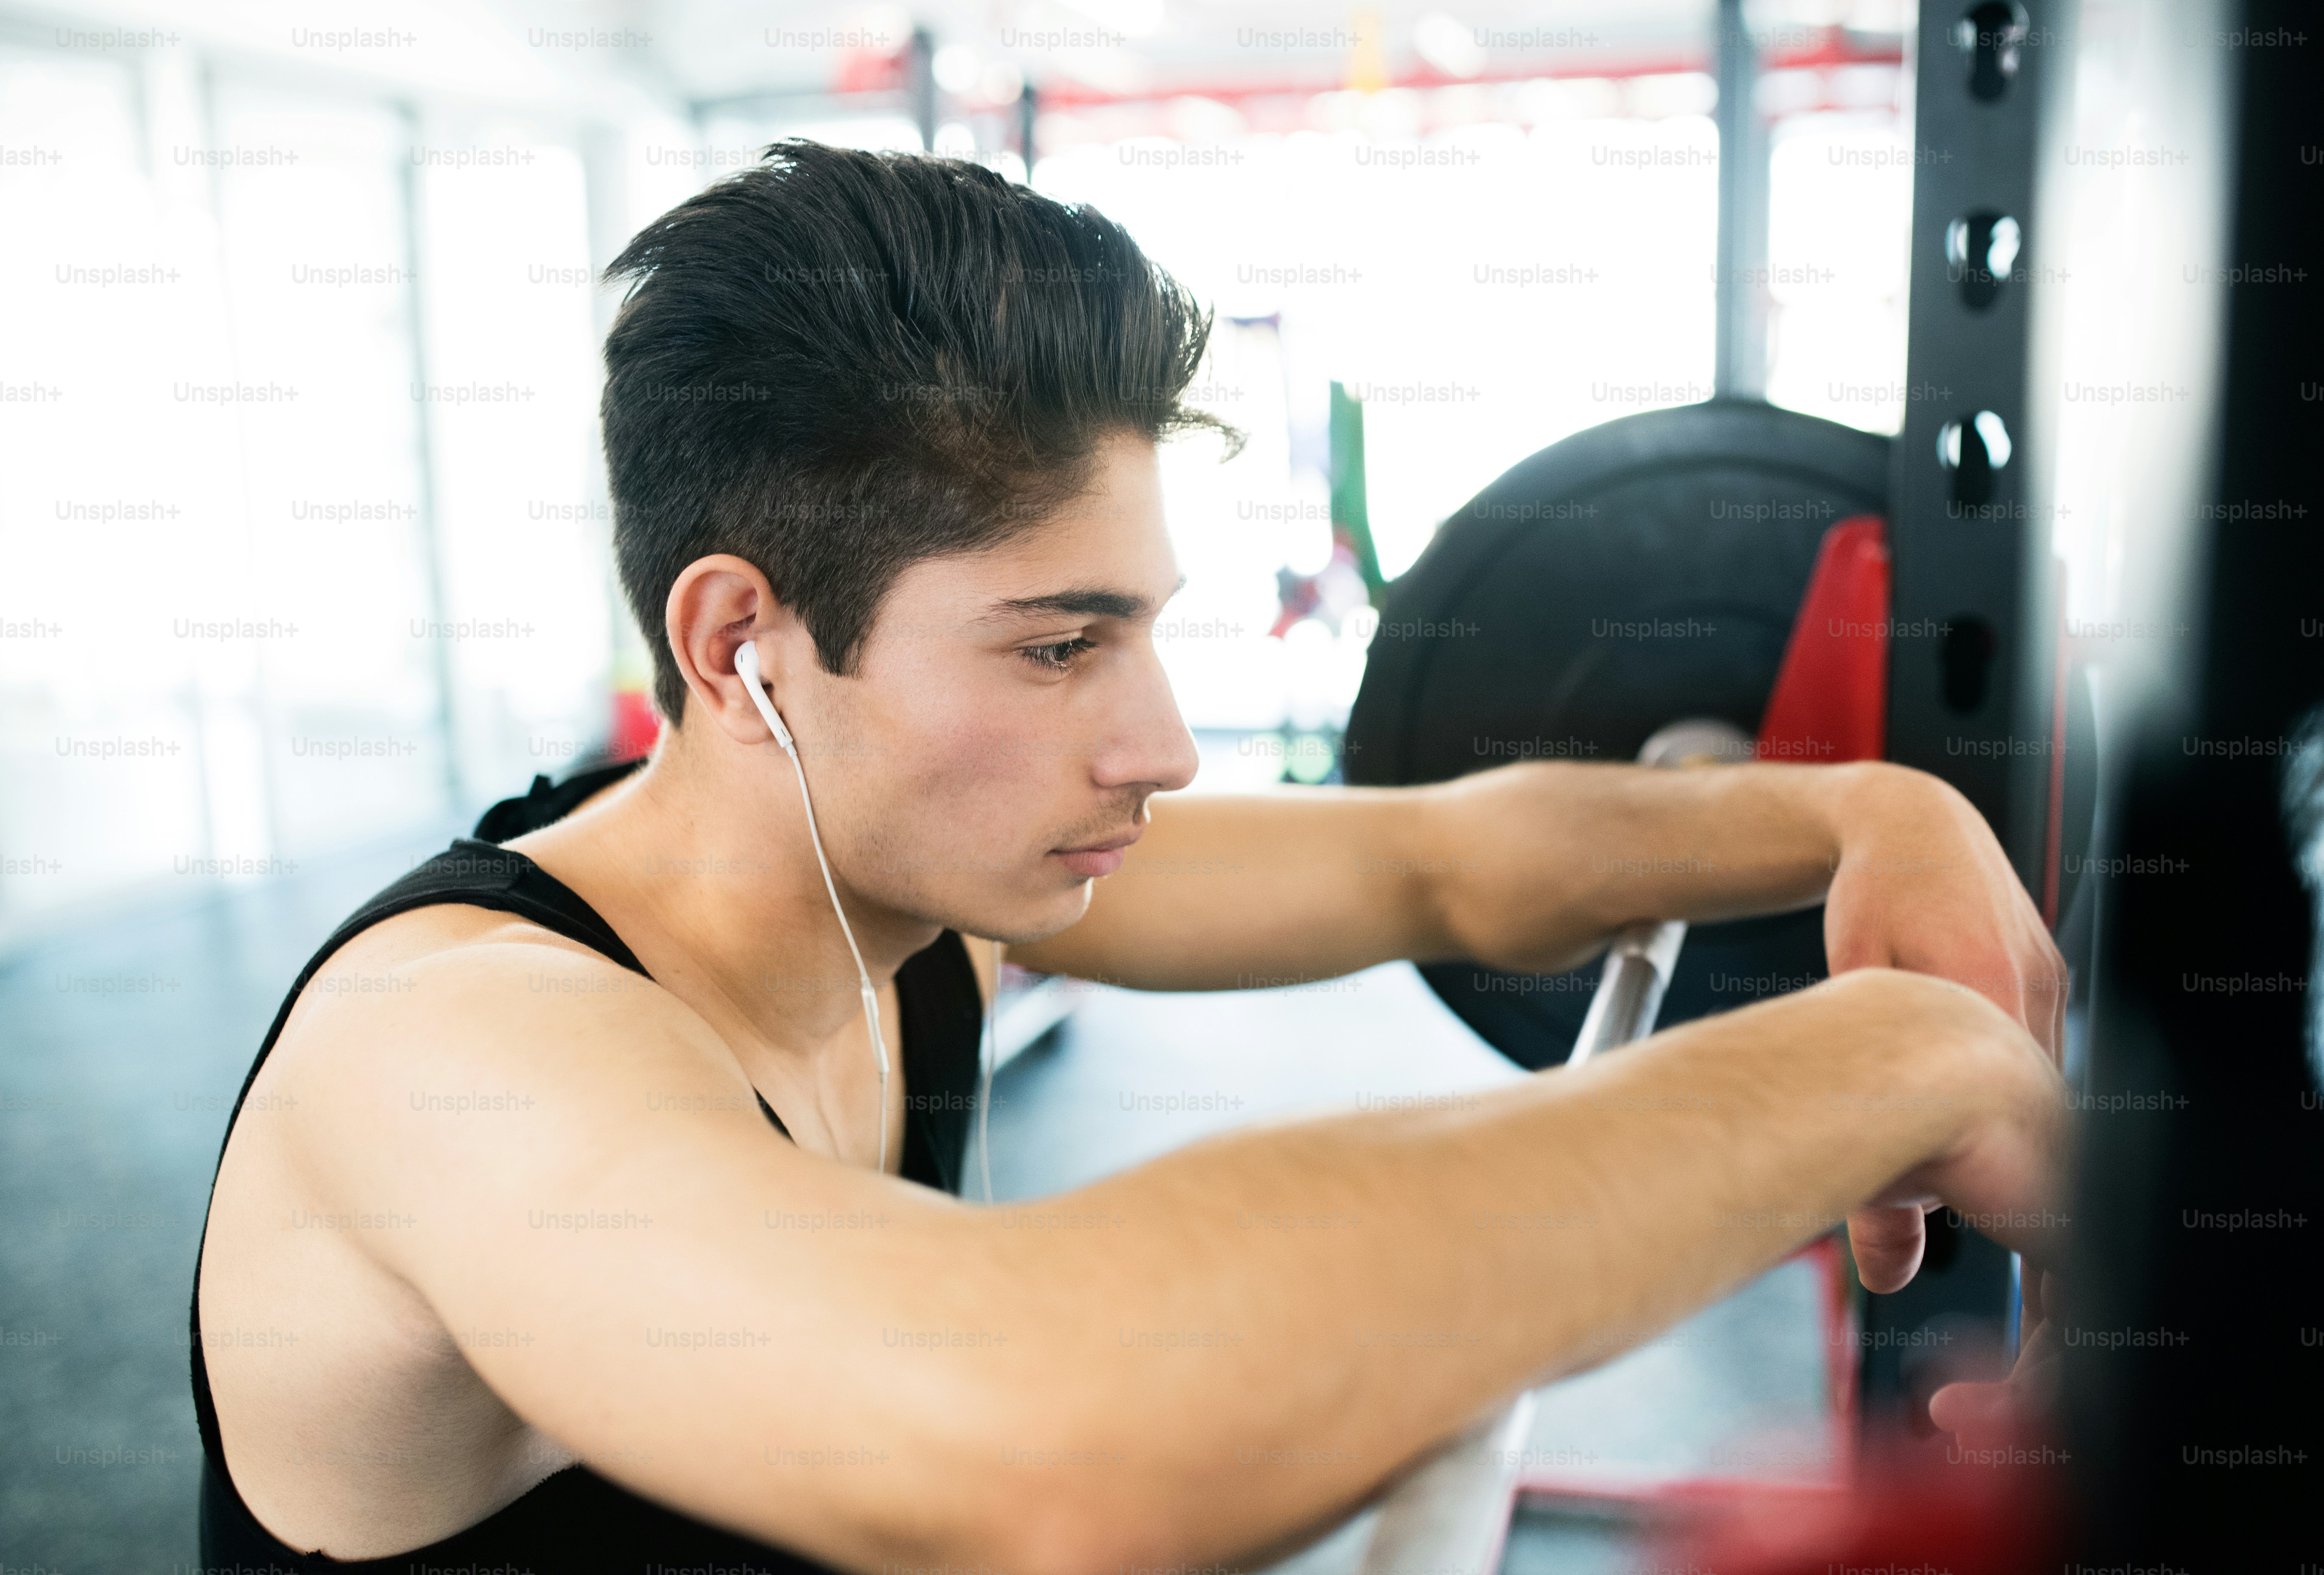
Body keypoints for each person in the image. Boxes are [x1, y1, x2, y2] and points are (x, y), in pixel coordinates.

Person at [190, 141, 2069, 1574]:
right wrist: (1895, 1059)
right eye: (1058, 645)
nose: (1158, 744)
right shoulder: (452, 1062)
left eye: (1147, 633)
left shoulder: (907, 870)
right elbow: (1046, 1427)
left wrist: (1868, 811)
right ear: (739, 642)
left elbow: (1451, 860)